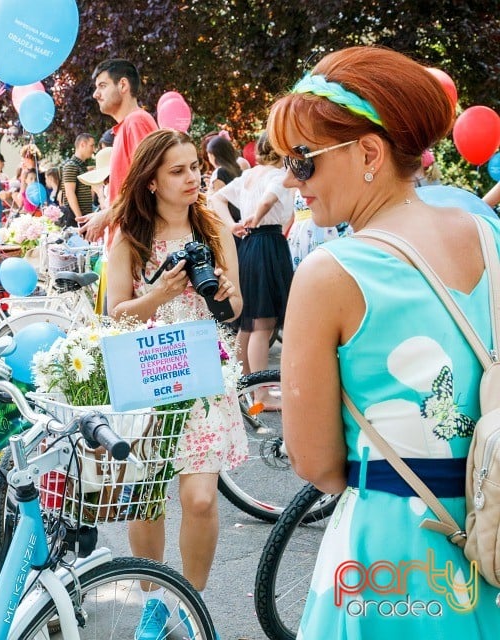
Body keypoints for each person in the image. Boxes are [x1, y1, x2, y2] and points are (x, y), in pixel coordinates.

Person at [270, 46, 500, 637]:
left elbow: (316, 461)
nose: (291, 182)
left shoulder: (332, 273)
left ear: (369, 152)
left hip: (398, 552)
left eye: (302, 162)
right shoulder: (488, 231)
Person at [106, 129, 248, 637]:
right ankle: (153, 597)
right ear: (150, 182)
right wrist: (157, 295)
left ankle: (188, 601)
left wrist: (228, 293)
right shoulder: (129, 241)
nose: (193, 178)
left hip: (205, 377)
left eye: (195, 168)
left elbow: (235, 311)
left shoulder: (214, 229)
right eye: (178, 170)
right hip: (147, 376)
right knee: (145, 497)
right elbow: (114, 318)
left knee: (201, 499)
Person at [209, 132, 294, 396]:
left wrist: (231, 225)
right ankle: (262, 393)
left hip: (248, 246)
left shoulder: (249, 175)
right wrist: (255, 218)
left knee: (249, 322)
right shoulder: (277, 175)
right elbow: (268, 199)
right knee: (263, 324)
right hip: (268, 244)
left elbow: (215, 199)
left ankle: (243, 385)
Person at [79, 58, 158, 242]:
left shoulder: (136, 121)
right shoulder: (128, 125)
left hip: (136, 243)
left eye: (102, 86)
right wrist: (106, 214)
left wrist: (106, 216)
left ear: (123, 85)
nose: (95, 94)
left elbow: (147, 187)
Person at [61, 133, 97, 225]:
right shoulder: (71, 166)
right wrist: (80, 219)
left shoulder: (80, 166)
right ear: (82, 144)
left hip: (83, 216)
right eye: (91, 145)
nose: (93, 150)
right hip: (75, 218)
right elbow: (70, 193)